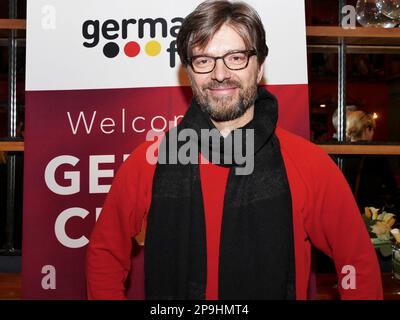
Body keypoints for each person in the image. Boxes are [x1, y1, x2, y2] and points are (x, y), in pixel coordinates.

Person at [86, 0, 382, 300]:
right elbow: (105, 253)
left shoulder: (308, 164)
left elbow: (358, 263)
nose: (220, 74)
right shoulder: (151, 160)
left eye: (236, 57)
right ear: (189, 72)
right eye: (204, 60)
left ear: (259, 67)